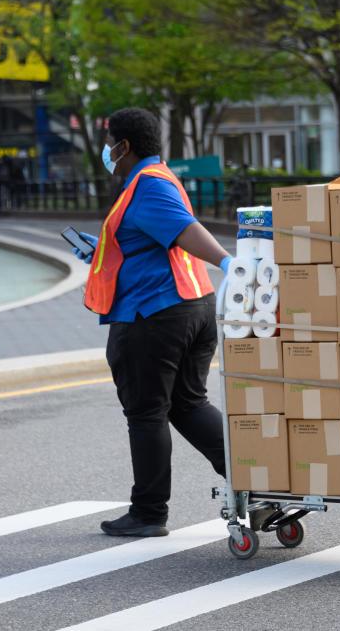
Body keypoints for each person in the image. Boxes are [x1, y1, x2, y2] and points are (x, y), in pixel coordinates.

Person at [70, 107, 232, 538]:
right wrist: (102, 249)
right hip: (189, 306)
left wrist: (228, 261)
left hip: (155, 314)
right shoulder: (155, 179)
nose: (106, 151)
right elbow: (149, 239)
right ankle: (252, 475)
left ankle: (148, 513)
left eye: (108, 143)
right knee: (186, 404)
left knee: (146, 412)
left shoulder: (146, 184)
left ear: (124, 147)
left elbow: (184, 229)